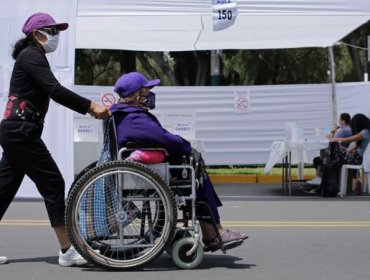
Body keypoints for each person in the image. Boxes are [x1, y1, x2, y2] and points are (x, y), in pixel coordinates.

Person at [0, 13, 110, 266]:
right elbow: (55, 90)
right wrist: (90, 106)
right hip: (21, 131)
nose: (56, 36)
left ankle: (67, 249)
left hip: (17, 130)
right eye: (52, 30)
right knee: (53, 182)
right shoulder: (31, 55)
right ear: (36, 33)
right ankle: (66, 250)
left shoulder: (32, 56)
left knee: (3, 190)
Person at [109, 72, 248, 251]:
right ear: (136, 95)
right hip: (150, 171)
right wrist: (186, 146)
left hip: (149, 167)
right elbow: (166, 139)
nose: (149, 95)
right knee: (196, 172)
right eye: (146, 91)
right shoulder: (134, 118)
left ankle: (212, 231)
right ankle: (214, 232)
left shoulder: (126, 115)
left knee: (196, 170)